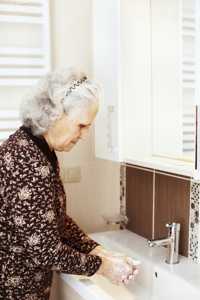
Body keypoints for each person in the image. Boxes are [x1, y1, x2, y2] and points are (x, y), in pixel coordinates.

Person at [0, 68, 139, 299]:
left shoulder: (36, 149)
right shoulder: (28, 163)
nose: (84, 135)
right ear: (55, 114)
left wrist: (98, 250)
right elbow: (45, 252)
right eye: (82, 125)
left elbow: (54, 219)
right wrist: (104, 267)